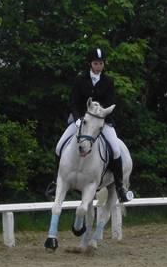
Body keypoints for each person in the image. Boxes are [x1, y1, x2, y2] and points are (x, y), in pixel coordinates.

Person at [53, 47, 129, 203]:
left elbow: (109, 103)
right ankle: (56, 183)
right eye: (96, 63)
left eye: (101, 63)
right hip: (81, 121)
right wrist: (77, 119)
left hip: (101, 121)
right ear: (90, 64)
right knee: (59, 146)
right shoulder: (80, 80)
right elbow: (73, 102)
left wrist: (101, 118)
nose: (98, 66)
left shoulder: (109, 81)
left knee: (115, 150)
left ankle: (120, 186)